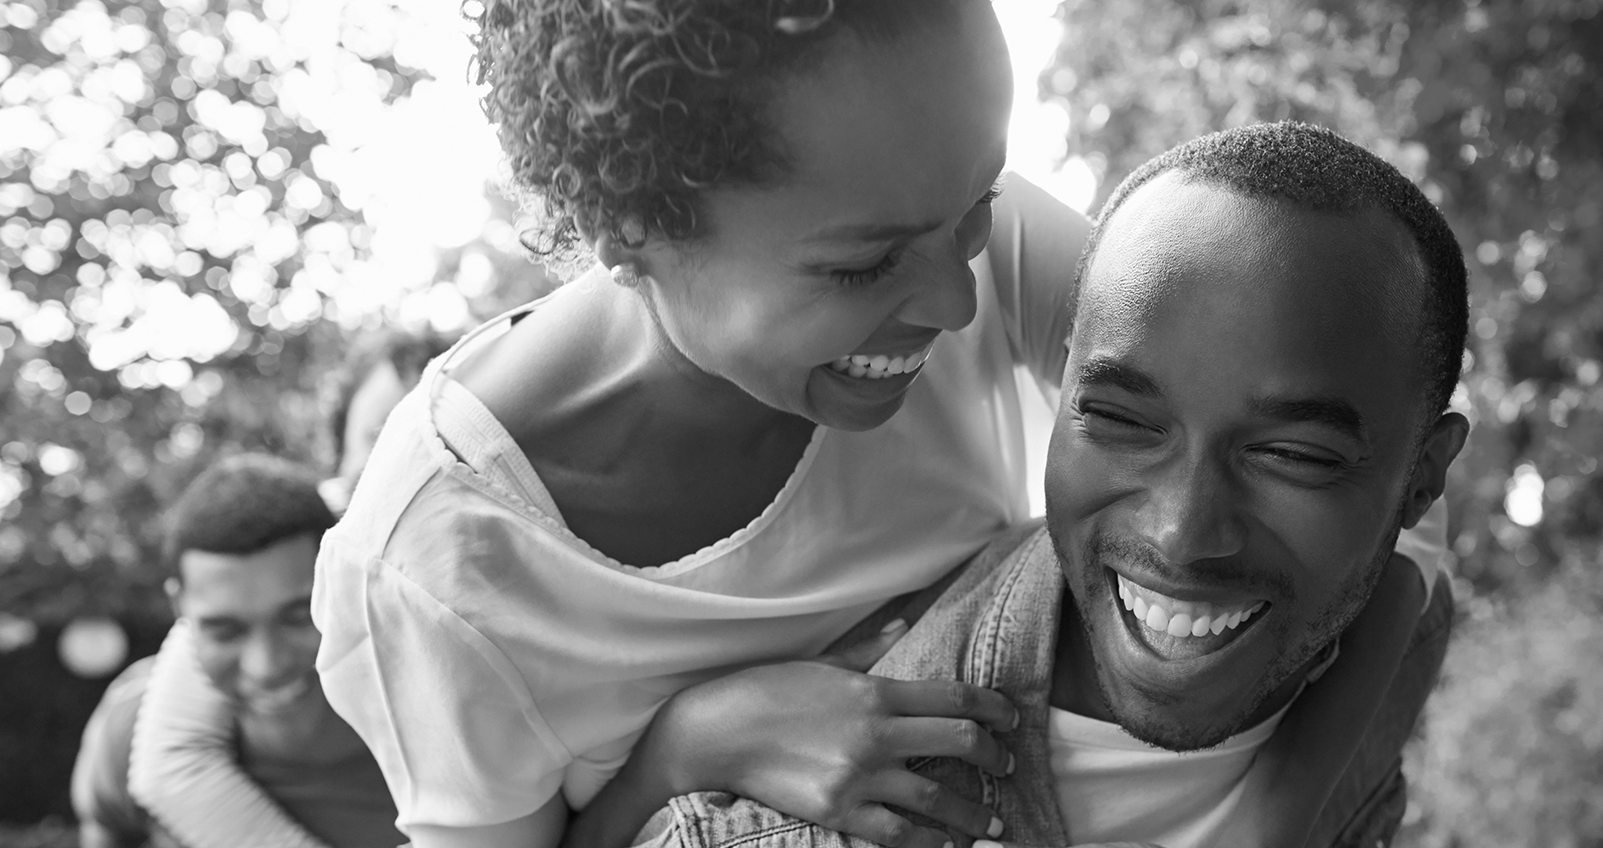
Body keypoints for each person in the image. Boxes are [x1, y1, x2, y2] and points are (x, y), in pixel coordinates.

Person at [312, 4, 1450, 848]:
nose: (960, 304)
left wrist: (1281, 820)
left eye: (977, 211)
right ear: (628, 228)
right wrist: (689, 744)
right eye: (860, 266)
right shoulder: (437, 568)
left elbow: (1344, 490)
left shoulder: (954, 241)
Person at [629, 121, 1470, 848]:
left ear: (1422, 480)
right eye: (1123, 421)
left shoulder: (1391, 642)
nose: (1181, 532)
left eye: (1293, 456)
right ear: (1059, 387)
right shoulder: (804, 825)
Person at [126, 330, 455, 848]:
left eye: (448, 433)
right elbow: (173, 758)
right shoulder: (291, 545)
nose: (417, 459)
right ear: (340, 448)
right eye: (380, 433)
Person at [71, 455, 405, 848]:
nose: (265, 665)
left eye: (298, 617)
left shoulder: (435, 719)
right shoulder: (132, 722)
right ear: (181, 611)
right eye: (225, 631)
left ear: (341, 587)